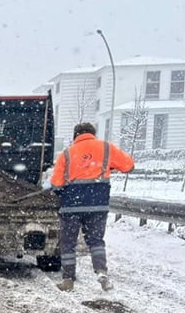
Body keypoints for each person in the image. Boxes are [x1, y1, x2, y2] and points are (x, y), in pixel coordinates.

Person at [48, 122, 135, 291]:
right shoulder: (106, 149)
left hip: (71, 206)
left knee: (68, 243)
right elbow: (129, 166)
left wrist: (59, 189)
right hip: (98, 204)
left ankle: (68, 280)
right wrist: (108, 166)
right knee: (96, 241)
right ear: (93, 134)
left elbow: (56, 183)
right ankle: (101, 272)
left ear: (75, 136)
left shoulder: (66, 154)